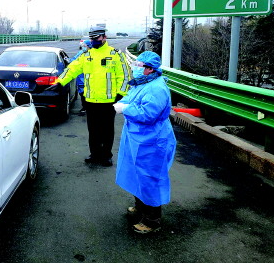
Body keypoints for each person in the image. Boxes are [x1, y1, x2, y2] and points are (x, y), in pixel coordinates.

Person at [47, 26, 131, 166]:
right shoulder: (86, 56)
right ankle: (95, 154)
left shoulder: (115, 54)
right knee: (93, 130)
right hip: (90, 100)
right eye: (91, 38)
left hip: (109, 101)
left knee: (107, 130)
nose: (93, 41)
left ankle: (106, 156)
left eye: (96, 38)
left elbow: (125, 76)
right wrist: (60, 82)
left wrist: (120, 95)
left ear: (104, 37)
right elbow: (72, 69)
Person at [113, 51, 177, 234]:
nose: (135, 68)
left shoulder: (156, 88)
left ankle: (152, 220)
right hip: (139, 137)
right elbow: (132, 98)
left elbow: (148, 114)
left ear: (150, 69)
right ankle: (140, 208)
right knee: (136, 174)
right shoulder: (144, 82)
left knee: (149, 178)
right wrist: (124, 103)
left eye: (139, 65)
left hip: (152, 140)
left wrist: (126, 108)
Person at [69, 40, 92, 115]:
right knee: (82, 93)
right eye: (83, 46)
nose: (83, 47)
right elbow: (74, 60)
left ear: (89, 46)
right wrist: (68, 61)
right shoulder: (81, 53)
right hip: (81, 78)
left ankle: (88, 108)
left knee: (89, 94)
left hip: (90, 78)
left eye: (85, 46)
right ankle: (84, 108)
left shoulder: (93, 54)